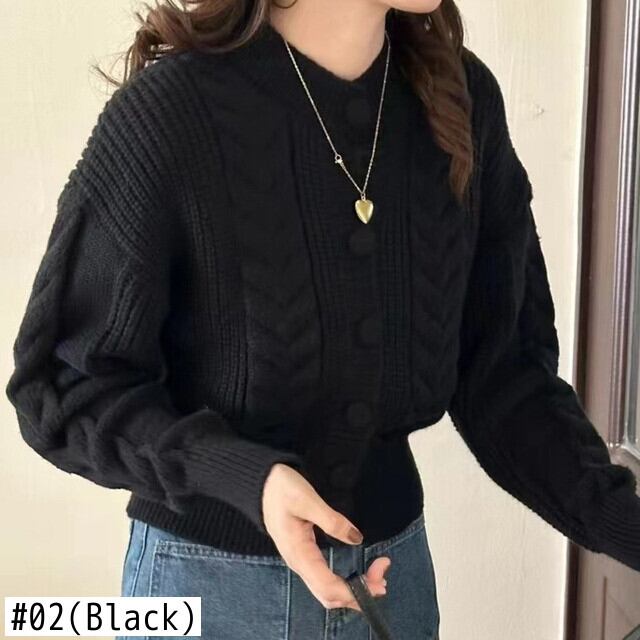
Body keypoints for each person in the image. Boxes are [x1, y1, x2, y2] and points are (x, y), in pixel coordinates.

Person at [6, 0, 640, 638]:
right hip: (209, 591)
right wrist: (244, 477)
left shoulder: (461, 99)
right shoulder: (172, 111)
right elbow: (63, 385)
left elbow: (506, 379)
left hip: (393, 590)